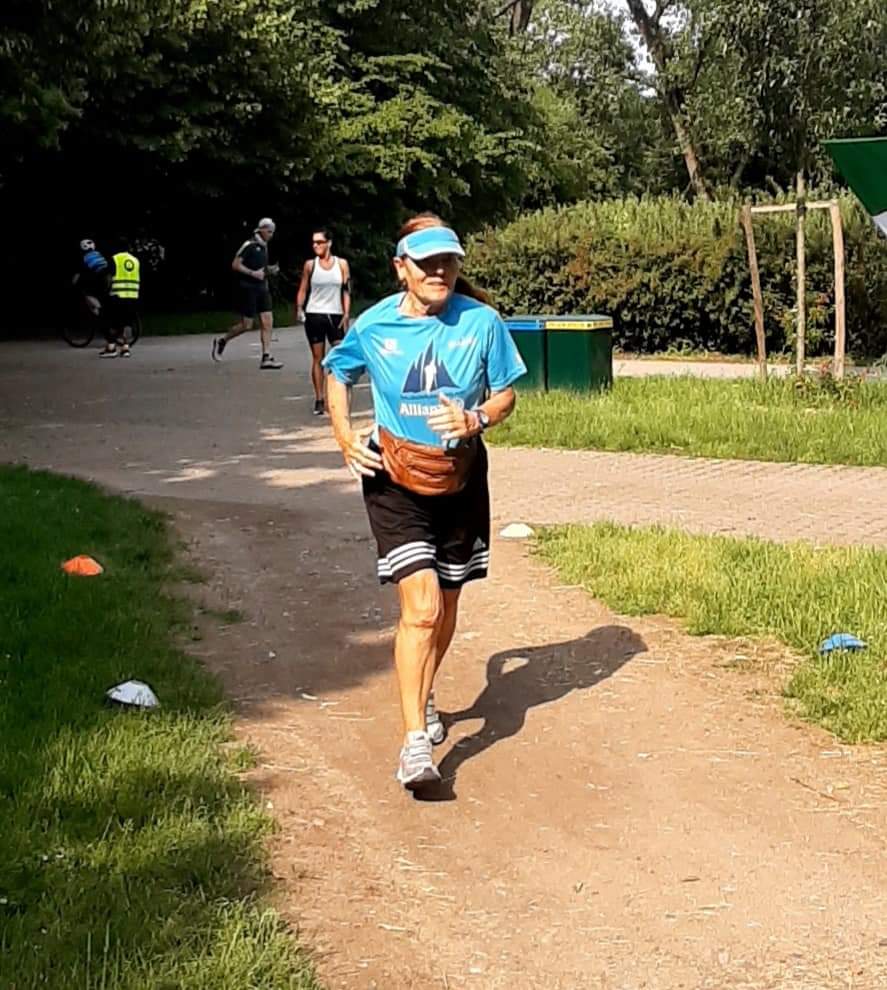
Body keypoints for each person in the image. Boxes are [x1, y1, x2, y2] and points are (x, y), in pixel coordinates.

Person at [323, 213, 526, 793]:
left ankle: (424, 688)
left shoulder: (482, 322)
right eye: (427, 263)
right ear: (400, 269)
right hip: (393, 478)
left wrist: (477, 416)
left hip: (460, 477)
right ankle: (416, 743)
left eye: (449, 262)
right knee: (423, 609)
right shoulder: (375, 323)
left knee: (449, 604)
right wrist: (343, 436)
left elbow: (507, 390)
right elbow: (338, 373)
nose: (440, 272)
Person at [212, 218, 283, 370]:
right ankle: (223, 340)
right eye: (269, 231)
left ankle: (266, 357)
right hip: (248, 288)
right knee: (247, 325)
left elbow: (260, 268)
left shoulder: (264, 246)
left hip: (262, 288)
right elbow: (235, 264)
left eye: (272, 232)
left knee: (268, 321)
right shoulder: (249, 245)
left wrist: (269, 270)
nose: (271, 235)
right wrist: (252, 273)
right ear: (261, 229)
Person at [295, 227, 351, 415]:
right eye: (314, 242)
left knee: (338, 358)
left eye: (319, 242)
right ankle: (319, 398)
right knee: (318, 358)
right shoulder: (310, 265)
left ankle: (336, 396)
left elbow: (346, 290)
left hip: (335, 314)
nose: (316, 245)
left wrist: (346, 314)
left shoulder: (341, 264)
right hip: (315, 314)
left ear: (329, 243)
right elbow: (303, 288)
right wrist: (299, 308)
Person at [99, 239, 140, 358]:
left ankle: (111, 348)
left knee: (108, 320)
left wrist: (105, 291)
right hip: (133, 296)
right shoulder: (135, 260)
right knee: (126, 322)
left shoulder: (115, 259)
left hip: (117, 295)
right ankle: (125, 348)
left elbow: (108, 277)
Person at [73, 238, 110, 319]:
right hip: (108, 277)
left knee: (87, 294)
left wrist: (73, 284)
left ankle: (100, 314)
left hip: (100, 278)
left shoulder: (84, 258)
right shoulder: (99, 254)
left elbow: (78, 274)